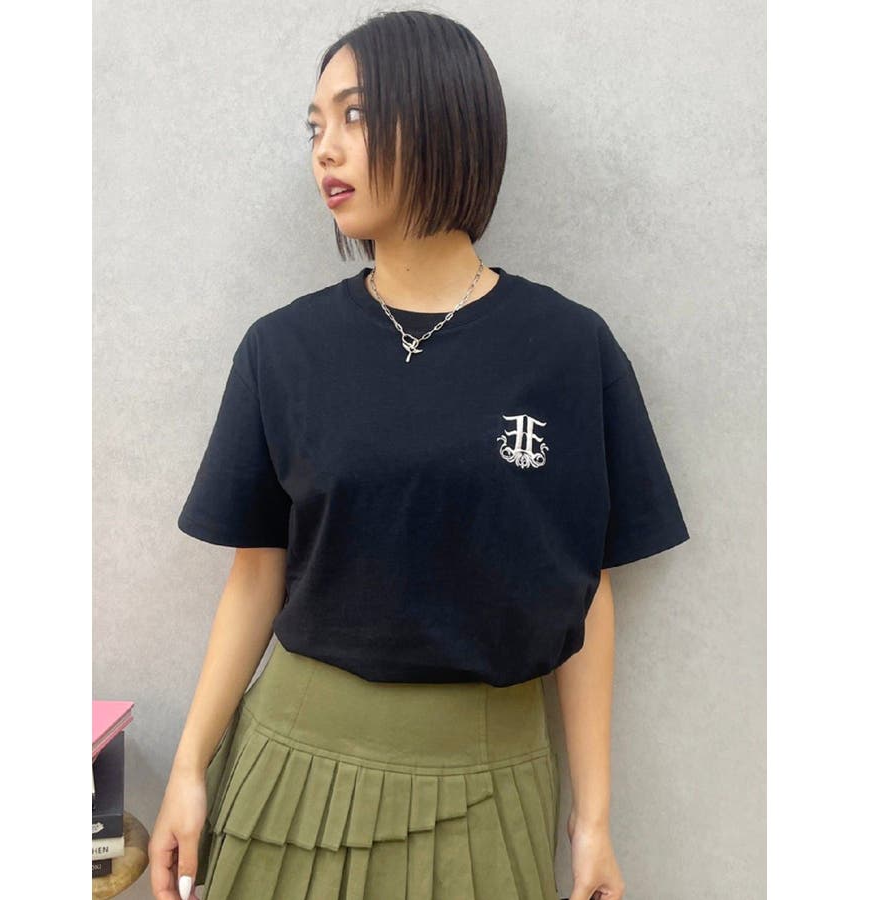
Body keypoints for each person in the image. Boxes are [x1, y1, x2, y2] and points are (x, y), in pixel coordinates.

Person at [149, 10, 689, 900]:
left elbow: (585, 587)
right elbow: (255, 575)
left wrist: (593, 822)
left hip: (489, 781)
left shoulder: (569, 350)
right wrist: (187, 770)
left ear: (444, 117)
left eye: (355, 115)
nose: (325, 149)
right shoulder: (282, 349)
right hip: (290, 770)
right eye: (315, 125)